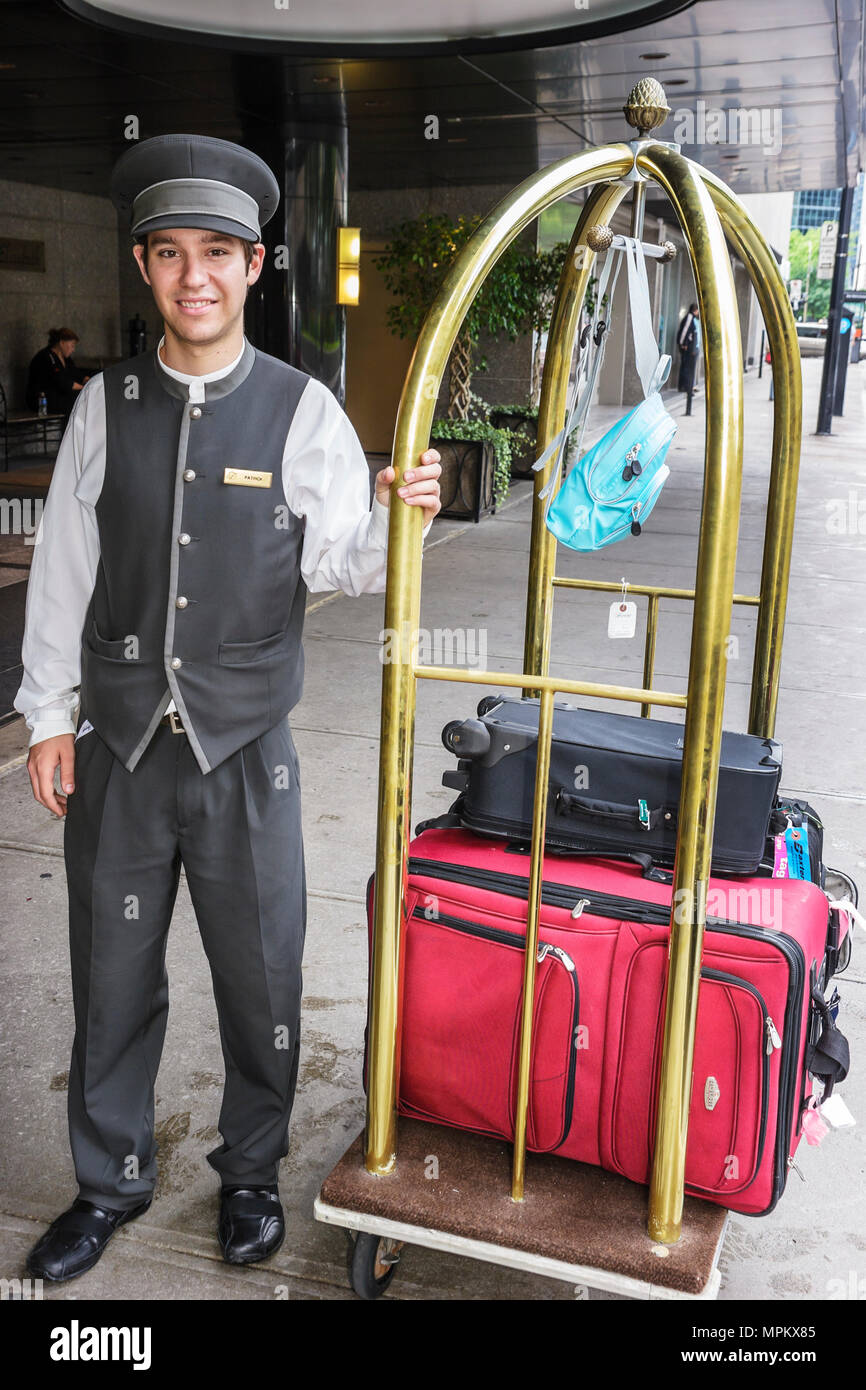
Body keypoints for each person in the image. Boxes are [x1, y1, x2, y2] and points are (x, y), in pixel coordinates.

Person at [14, 133, 442, 1283]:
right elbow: (61, 561)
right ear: (146, 267)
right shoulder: (107, 403)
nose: (192, 275)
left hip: (247, 751)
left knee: (262, 977)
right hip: (119, 746)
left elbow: (347, 560)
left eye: (217, 252)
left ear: (255, 266)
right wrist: (46, 712)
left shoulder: (301, 410)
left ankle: (249, 1174)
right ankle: (105, 1183)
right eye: (169, 254)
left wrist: (402, 509)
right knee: (111, 978)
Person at [25, 328, 90, 418]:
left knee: (82, 398)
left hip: (58, 397)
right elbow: (62, 382)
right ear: (62, 343)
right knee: (77, 399)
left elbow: (76, 373)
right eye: (72, 345)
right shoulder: (45, 357)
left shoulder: (66, 359)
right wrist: (85, 388)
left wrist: (88, 380)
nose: (73, 349)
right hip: (42, 400)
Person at [676, 302, 701, 395]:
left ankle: (687, 386)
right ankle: (685, 387)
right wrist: (682, 344)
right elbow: (684, 331)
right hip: (688, 347)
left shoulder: (694, 319)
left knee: (688, 367)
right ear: (695, 310)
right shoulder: (690, 317)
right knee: (687, 368)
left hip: (692, 347)